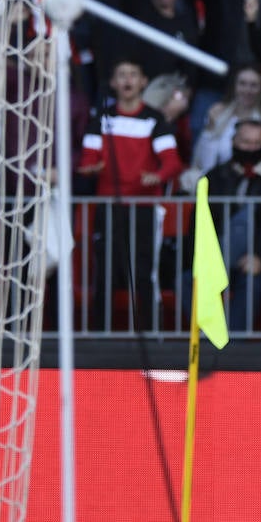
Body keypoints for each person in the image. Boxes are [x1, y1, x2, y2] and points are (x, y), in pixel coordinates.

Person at [78, 60, 185, 331]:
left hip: (143, 206)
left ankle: (148, 334)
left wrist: (157, 177)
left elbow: (172, 162)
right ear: (113, 83)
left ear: (143, 82)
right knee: (106, 271)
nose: (127, 80)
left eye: (133, 75)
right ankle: (99, 338)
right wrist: (91, 169)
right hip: (109, 205)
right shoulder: (100, 118)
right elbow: (87, 159)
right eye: (121, 75)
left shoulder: (153, 118)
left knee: (143, 272)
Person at [198, 119, 261, 332]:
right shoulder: (215, 177)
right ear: (234, 141)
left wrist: (259, 255)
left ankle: (230, 349)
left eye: (257, 143)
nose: (252, 149)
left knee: (253, 283)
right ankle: (211, 338)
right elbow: (202, 223)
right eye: (246, 142)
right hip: (218, 258)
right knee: (186, 281)